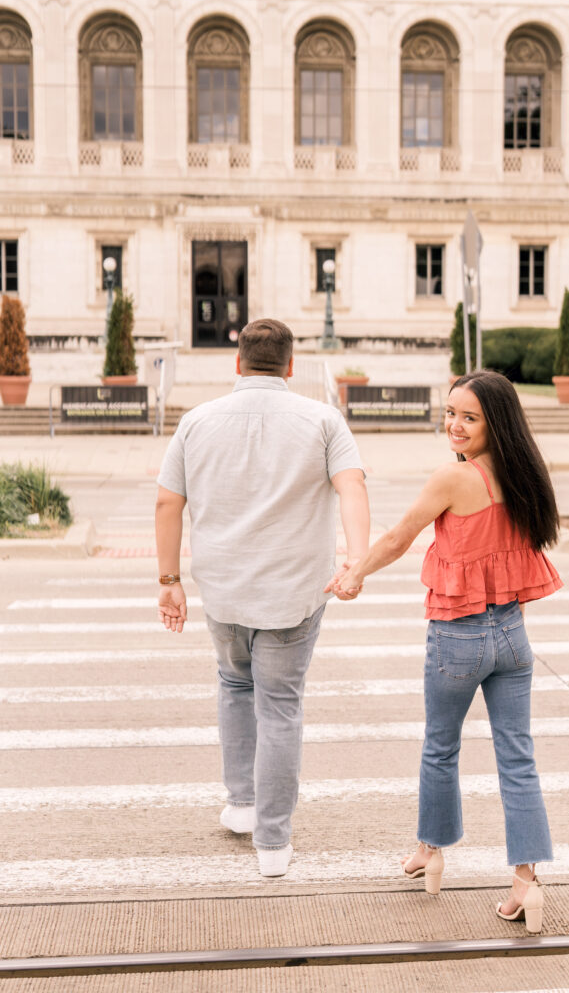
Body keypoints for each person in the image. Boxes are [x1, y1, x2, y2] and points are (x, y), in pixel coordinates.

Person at [327, 369, 561, 933]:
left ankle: (431, 853)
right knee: (518, 759)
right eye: (451, 413)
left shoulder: (455, 480)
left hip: (458, 635)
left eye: (469, 417)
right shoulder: (526, 474)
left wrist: (354, 572)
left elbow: (399, 536)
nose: (454, 425)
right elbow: (520, 564)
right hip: (512, 635)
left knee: (440, 748)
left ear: (493, 422)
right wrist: (508, 628)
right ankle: (526, 882)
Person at [155, 318, 369, 878]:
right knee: (280, 704)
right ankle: (273, 844)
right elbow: (353, 486)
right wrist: (357, 560)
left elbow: (166, 505)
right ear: (291, 366)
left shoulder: (196, 422)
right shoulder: (323, 420)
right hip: (295, 592)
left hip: (223, 591)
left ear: (238, 363)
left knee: (233, 684)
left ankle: (243, 805)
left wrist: (168, 580)